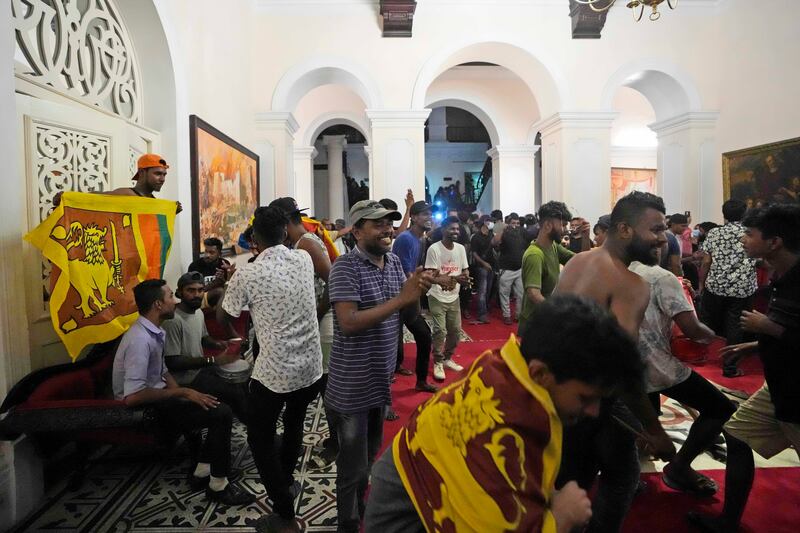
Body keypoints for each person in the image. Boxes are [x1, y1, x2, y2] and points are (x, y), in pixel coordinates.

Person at [363, 295, 644, 533]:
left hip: (400, 488)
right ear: (540, 374)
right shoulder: (510, 431)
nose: (594, 412)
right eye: (585, 398)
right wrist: (560, 520)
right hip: (406, 519)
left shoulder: (502, 363)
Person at [554, 191, 676, 533]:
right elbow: (622, 366)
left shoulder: (578, 262)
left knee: (574, 479)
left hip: (558, 394)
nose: (663, 239)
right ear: (624, 230)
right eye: (656, 229)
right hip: (593, 400)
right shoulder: (632, 285)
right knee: (618, 478)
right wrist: (654, 430)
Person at [687, 204, 800, 532]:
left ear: (774, 242)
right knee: (736, 434)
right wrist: (753, 345)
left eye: (750, 234)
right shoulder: (780, 275)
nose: (742, 240)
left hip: (797, 393)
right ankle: (728, 522)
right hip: (778, 386)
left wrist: (768, 328)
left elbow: (784, 329)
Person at [325, 199, 434, 533]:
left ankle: (360, 512)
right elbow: (348, 322)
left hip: (379, 382)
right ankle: (347, 524)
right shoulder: (345, 267)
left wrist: (417, 291)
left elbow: (407, 313)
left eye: (389, 223)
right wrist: (401, 298)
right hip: (351, 385)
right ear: (357, 231)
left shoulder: (395, 261)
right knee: (352, 468)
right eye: (378, 224)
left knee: (369, 459)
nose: (388, 230)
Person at [218, 206, 324, 533]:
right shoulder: (303, 259)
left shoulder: (248, 273)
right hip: (310, 367)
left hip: (275, 373)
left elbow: (224, 316)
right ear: (285, 233)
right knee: (294, 423)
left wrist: (229, 283)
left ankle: (284, 513)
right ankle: (287, 481)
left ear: (254, 239)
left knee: (259, 438)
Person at [112, 279, 254, 506]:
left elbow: (162, 371)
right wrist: (184, 393)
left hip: (160, 398)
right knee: (221, 413)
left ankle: (202, 472)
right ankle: (218, 486)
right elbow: (133, 397)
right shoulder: (140, 340)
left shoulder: (154, 331)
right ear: (158, 304)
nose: (175, 301)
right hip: (145, 411)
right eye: (170, 296)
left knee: (217, 405)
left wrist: (184, 394)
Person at [629, 254, 739, 499]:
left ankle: (629, 476)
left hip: (620, 362)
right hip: (655, 364)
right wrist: (712, 336)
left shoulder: (605, 270)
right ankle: (677, 467)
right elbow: (692, 329)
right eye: (657, 236)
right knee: (720, 408)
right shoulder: (660, 277)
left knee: (642, 417)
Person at [162, 271, 249, 422]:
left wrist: (219, 343)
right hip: (185, 380)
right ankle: (254, 427)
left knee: (241, 383)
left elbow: (203, 338)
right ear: (179, 293)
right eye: (191, 290)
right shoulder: (173, 321)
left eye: (200, 290)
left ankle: (246, 418)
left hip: (199, 370)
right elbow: (173, 362)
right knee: (234, 392)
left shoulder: (198, 313)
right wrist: (213, 360)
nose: (197, 295)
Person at [698, 199, 758, 377]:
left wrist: (701, 284)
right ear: (745, 214)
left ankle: (699, 358)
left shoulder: (714, 232)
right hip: (742, 288)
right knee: (735, 327)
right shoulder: (750, 233)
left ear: (724, 214)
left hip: (715, 285)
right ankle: (730, 368)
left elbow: (706, 261)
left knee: (707, 321)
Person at [391, 200, 439, 393]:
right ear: (414, 217)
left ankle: (420, 381)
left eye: (430, 214)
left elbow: (415, 272)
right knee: (390, 345)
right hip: (398, 298)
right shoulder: (406, 239)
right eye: (425, 214)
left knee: (424, 336)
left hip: (409, 297)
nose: (429, 217)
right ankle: (383, 398)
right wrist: (435, 281)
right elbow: (407, 274)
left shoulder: (419, 239)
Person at [518, 201, 585, 339]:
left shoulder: (553, 246)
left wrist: (585, 237)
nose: (565, 230)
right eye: (563, 225)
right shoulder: (535, 255)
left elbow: (582, 261)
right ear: (548, 225)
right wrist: (559, 312)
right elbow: (533, 294)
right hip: (535, 325)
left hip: (546, 321)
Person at [53, 153, 182, 214]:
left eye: (164, 175)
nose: (162, 179)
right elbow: (96, 198)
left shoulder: (153, 201)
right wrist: (68, 197)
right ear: (142, 172)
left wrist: (170, 211)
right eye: (158, 174)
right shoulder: (128, 194)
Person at [425, 216, 470, 382]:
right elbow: (431, 276)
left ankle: (447, 358)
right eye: (452, 229)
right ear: (443, 230)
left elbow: (465, 270)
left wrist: (465, 278)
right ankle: (438, 361)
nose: (456, 231)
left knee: (455, 331)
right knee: (440, 330)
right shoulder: (434, 249)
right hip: (436, 295)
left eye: (457, 229)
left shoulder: (460, 249)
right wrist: (454, 279)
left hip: (454, 297)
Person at [492, 212, 526, 325]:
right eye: (513, 223)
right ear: (508, 223)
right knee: (504, 294)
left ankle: (518, 315)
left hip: (519, 268)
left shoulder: (522, 233)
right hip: (506, 269)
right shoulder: (504, 233)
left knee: (521, 294)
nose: (515, 225)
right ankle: (506, 315)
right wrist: (503, 229)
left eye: (517, 223)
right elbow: (494, 242)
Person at [469, 215, 496, 324]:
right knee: (482, 290)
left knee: (488, 290)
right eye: (490, 221)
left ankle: (485, 308)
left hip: (492, 265)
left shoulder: (491, 235)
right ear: (485, 222)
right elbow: (474, 253)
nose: (492, 223)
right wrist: (483, 263)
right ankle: (481, 314)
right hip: (481, 267)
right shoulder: (476, 237)